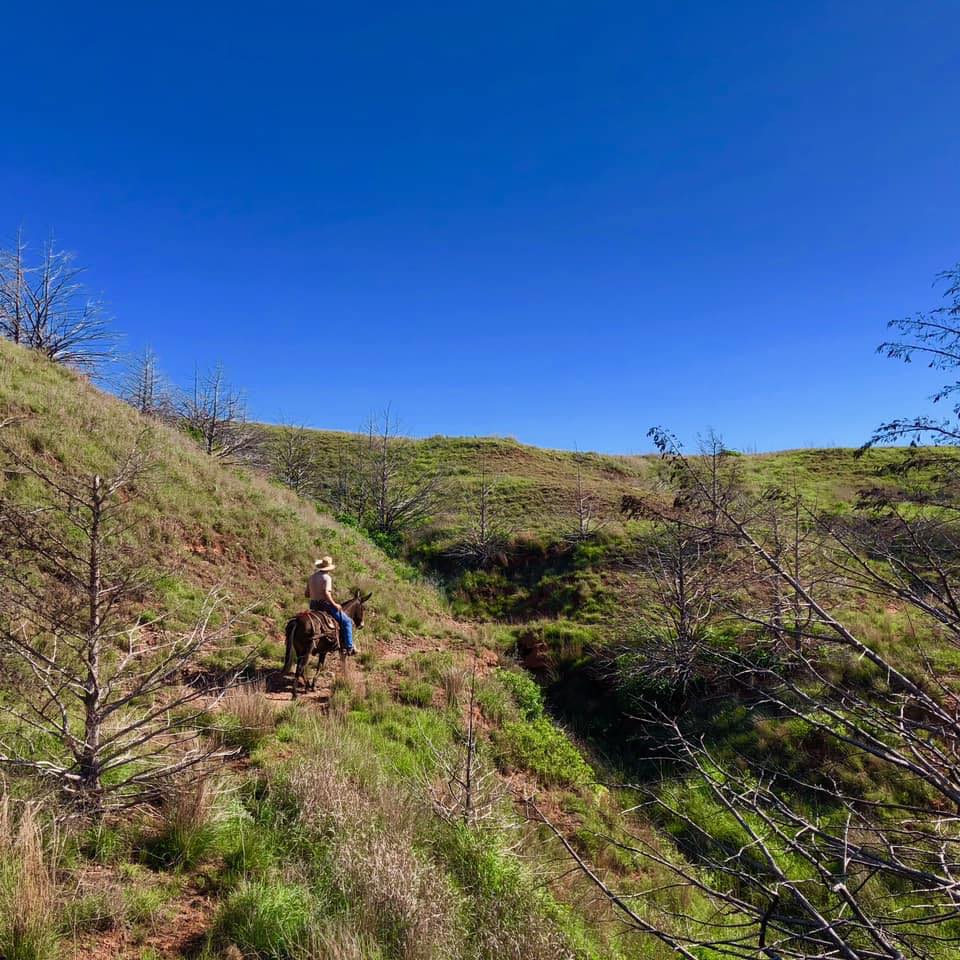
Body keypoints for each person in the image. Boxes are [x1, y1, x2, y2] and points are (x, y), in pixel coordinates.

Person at [305, 556, 356, 655]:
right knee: (347, 622)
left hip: (313, 606)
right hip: (325, 605)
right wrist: (335, 604)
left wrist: (315, 592)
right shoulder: (327, 578)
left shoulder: (311, 577)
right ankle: (349, 647)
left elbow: (306, 594)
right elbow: (326, 593)